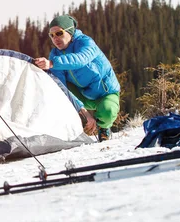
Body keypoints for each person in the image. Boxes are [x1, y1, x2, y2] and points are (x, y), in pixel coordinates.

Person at [34, 14, 120, 142]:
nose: (55, 38)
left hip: (105, 92)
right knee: (57, 89)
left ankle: (104, 128)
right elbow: (62, 87)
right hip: (83, 94)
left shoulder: (86, 42)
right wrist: (85, 113)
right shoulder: (55, 54)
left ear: (70, 32)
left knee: (108, 111)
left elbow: (81, 59)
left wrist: (52, 64)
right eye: (51, 35)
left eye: (59, 33)